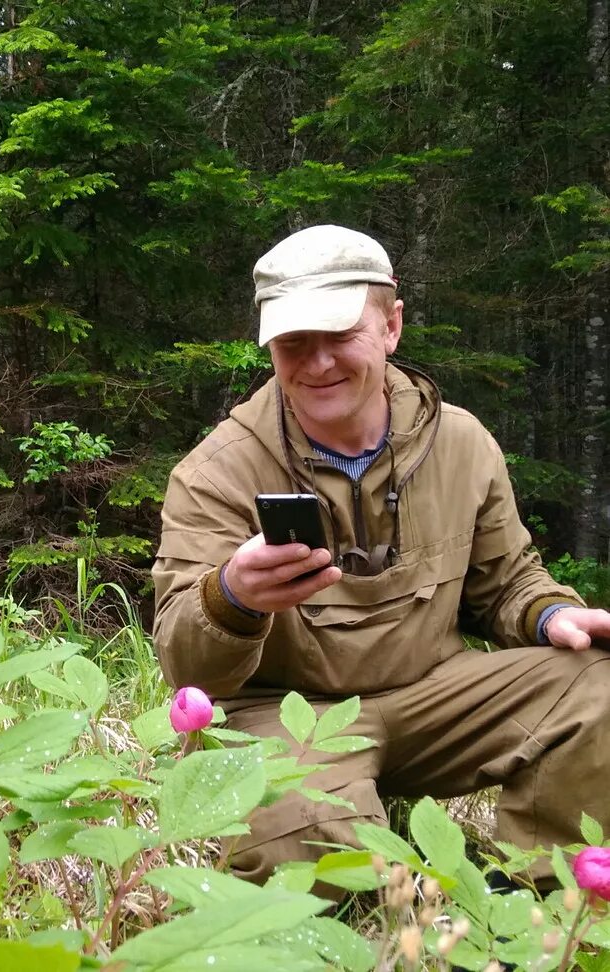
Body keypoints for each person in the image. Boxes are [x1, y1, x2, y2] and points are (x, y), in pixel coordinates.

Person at [152, 224, 610, 891]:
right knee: (301, 840)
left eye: (339, 337)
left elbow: (506, 581)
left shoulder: (462, 444)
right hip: (286, 715)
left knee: (596, 682)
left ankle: (538, 908)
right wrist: (233, 597)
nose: (316, 365)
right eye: (292, 343)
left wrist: (548, 615)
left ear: (392, 324)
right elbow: (185, 667)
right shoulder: (214, 473)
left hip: (434, 699)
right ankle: (388, 899)